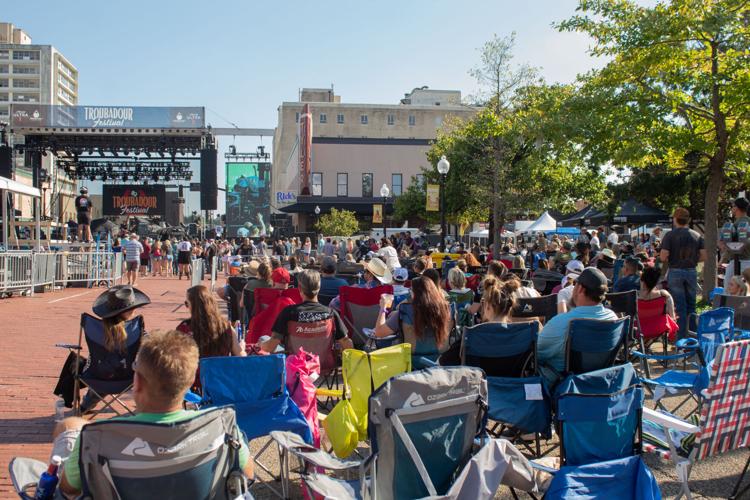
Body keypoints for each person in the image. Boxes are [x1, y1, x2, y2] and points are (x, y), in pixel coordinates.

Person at [55, 330, 254, 497]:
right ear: (190, 381)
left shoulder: (96, 438)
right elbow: (247, 472)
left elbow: (67, 488)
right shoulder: (220, 426)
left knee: (70, 425)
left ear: (138, 382)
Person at [537, 267, 618, 384]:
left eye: (575, 284)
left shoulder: (562, 323)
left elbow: (536, 354)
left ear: (580, 288)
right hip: (601, 382)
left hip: (564, 386)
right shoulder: (613, 318)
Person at [80, 285, 151, 413]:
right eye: (133, 308)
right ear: (128, 311)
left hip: (97, 376)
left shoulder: (96, 328)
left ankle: (85, 406)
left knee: (104, 369)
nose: (135, 310)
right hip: (128, 378)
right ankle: (146, 406)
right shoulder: (135, 329)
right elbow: (150, 344)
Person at [261, 269, 353, 354]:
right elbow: (347, 343)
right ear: (319, 287)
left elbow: (270, 347)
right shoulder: (331, 314)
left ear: (300, 288)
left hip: (296, 367)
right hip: (323, 367)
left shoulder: (288, 313)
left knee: (263, 339)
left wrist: (260, 345)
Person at [372, 276, 451, 363]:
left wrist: (383, 308)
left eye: (411, 290)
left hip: (410, 363)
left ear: (414, 293)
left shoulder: (404, 312)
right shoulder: (447, 310)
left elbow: (379, 333)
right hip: (440, 362)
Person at [660, 207, 706, 339]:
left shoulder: (670, 235)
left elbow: (663, 257)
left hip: (675, 271)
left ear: (675, 219)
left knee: (679, 306)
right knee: (692, 306)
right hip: (691, 271)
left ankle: (681, 339)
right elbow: (704, 256)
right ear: (688, 220)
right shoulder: (696, 235)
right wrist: (691, 260)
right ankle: (693, 337)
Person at [720, 196, 750, 280]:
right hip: (748, 261)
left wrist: (722, 260)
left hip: (737, 262)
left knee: (728, 290)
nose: (731, 208)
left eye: (733, 206)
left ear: (736, 208)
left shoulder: (735, 225)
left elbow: (728, 246)